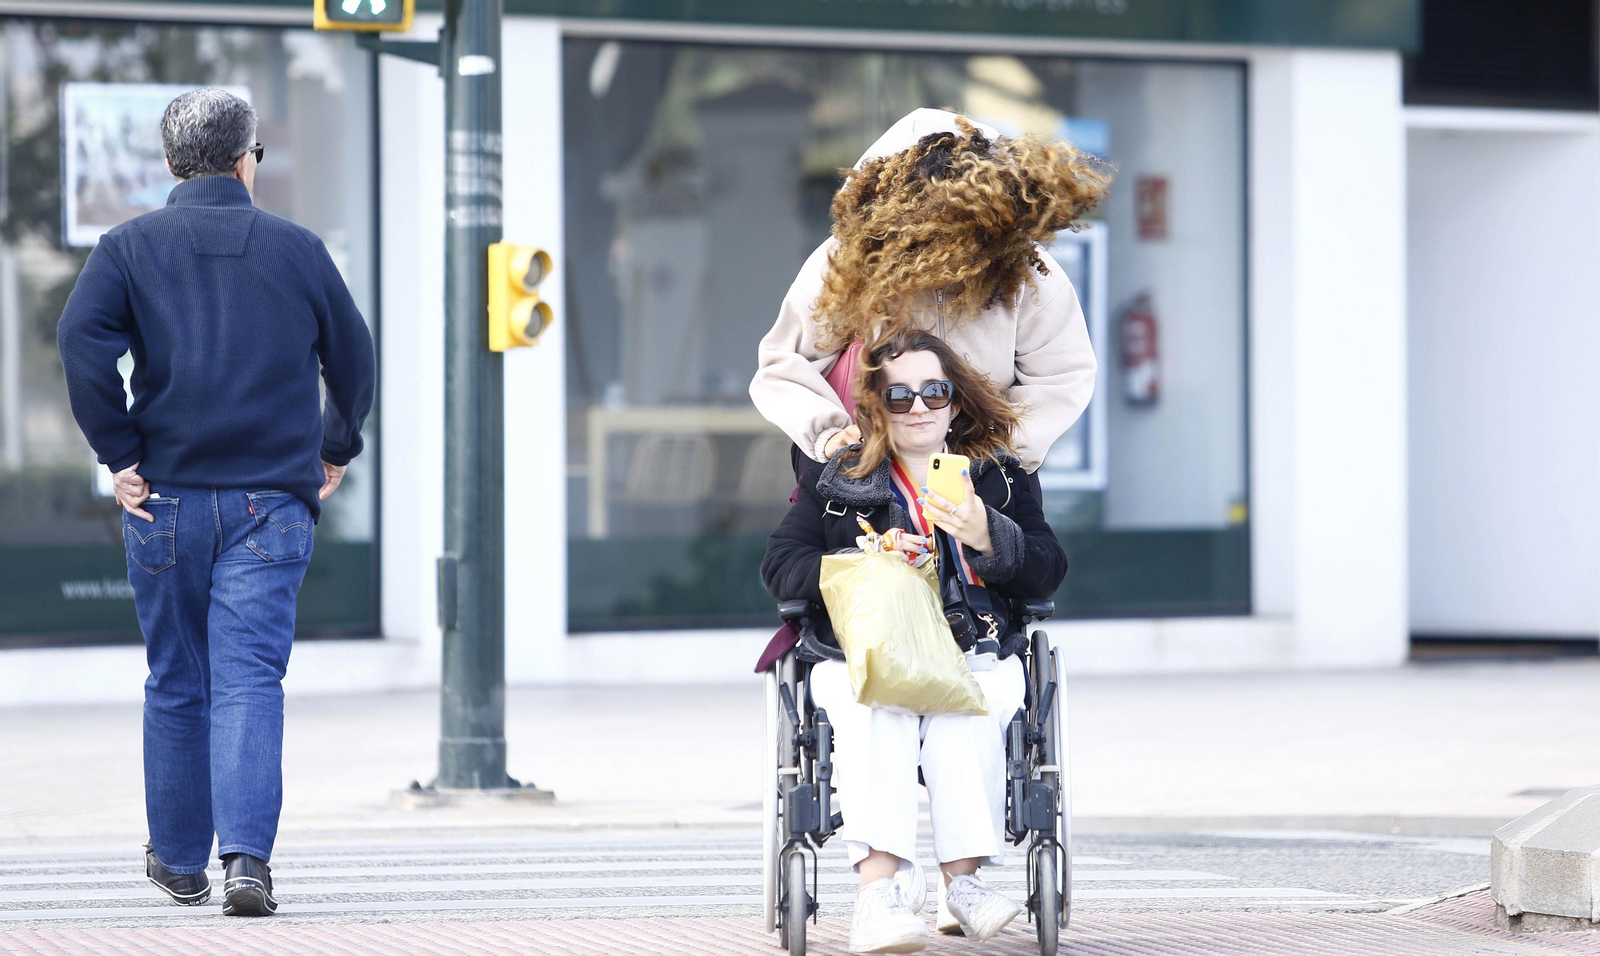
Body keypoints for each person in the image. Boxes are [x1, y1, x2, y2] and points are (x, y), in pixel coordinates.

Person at [56, 88, 375, 917]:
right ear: (248, 161)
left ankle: (178, 863)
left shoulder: (126, 247)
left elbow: (79, 343)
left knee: (176, 679)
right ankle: (246, 866)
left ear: (170, 164)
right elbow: (354, 358)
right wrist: (334, 447)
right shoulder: (299, 250)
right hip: (272, 504)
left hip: (162, 500)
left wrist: (118, 453)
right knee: (249, 681)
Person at [763, 330, 1068, 953]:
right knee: (877, 706)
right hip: (862, 653)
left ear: (956, 401)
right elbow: (781, 565)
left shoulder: (998, 479)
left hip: (971, 645)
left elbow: (1048, 568)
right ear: (875, 406)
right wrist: (863, 560)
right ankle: (877, 897)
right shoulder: (839, 480)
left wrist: (988, 534)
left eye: (935, 391)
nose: (919, 406)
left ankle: (964, 885)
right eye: (899, 396)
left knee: (970, 703)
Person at [750, 107, 1110, 476]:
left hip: (985, 478)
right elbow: (784, 367)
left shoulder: (1023, 266)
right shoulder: (845, 259)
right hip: (867, 475)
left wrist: (995, 452)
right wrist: (831, 436)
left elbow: (1063, 375)